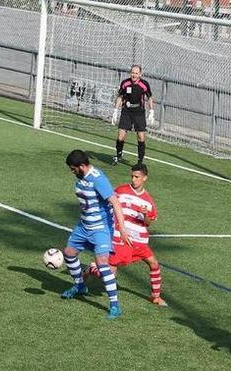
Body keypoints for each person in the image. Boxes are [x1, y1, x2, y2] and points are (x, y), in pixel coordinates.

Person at [61, 149, 131, 320]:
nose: (72, 172)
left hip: (100, 228)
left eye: (73, 169)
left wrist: (121, 228)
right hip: (83, 226)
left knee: (102, 264)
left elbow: (115, 202)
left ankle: (115, 306)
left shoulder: (98, 179)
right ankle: (79, 286)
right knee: (69, 253)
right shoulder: (83, 178)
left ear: (82, 166)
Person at [85, 163, 167, 307]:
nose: (134, 179)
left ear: (145, 178)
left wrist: (145, 214)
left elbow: (148, 222)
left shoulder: (148, 201)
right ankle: (92, 268)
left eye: (137, 177)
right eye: (132, 176)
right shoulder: (121, 191)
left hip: (140, 241)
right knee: (110, 275)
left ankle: (156, 297)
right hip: (120, 238)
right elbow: (108, 203)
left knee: (154, 263)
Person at [111, 64, 155, 166]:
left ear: (140, 74)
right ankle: (118, 155)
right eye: (132, 73)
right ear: (130, 73)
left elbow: (150, 98)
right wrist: (115, 111)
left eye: (136, 73)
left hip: (139, 112)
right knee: (121, 136)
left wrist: (151, 112)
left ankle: (140, 161)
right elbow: (120, 97)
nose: (134, 75)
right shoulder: (125, 83)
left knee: (141, 137)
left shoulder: (144, 85)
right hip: (126, 112)